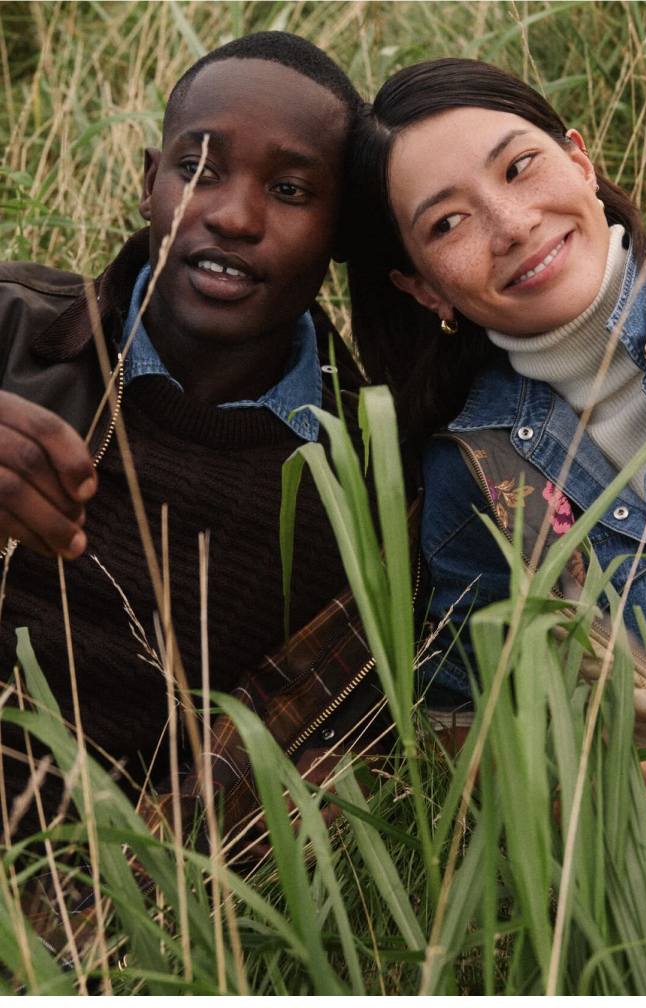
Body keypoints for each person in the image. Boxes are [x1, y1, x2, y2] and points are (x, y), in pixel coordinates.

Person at [345, 57, 646, 854]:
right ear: (423, 288)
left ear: (580, 161)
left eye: (519, 166)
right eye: (447, 224)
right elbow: (461, 718)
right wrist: (572, 796)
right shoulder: (477, 476)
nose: (511, 224)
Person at [0, 31, 382, 845]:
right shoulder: (12, 328)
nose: (233, 216)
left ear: (343, 231)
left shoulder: (365, 481)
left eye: (289, 189)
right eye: (197, 169)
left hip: (98, 887)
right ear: (150, 183)